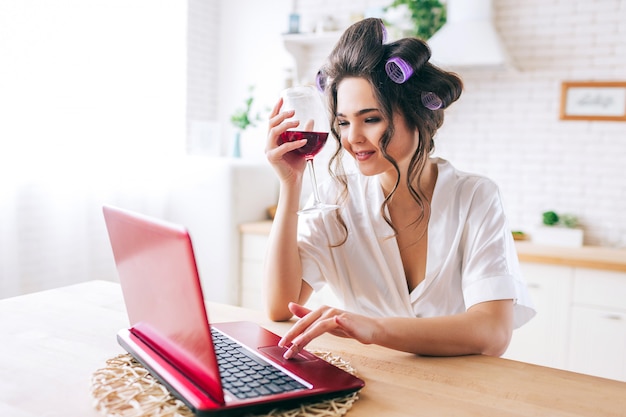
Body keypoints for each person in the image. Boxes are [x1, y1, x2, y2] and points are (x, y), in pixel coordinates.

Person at [264, 18, 535, 359]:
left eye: (371, 119)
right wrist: (290, 184)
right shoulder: (336, 199)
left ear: (417, 115)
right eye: (343, 122)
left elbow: (493, 332)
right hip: (372, 385)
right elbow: (279, 305)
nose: (352, 138)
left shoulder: (474, 197)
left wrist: (374, 328)